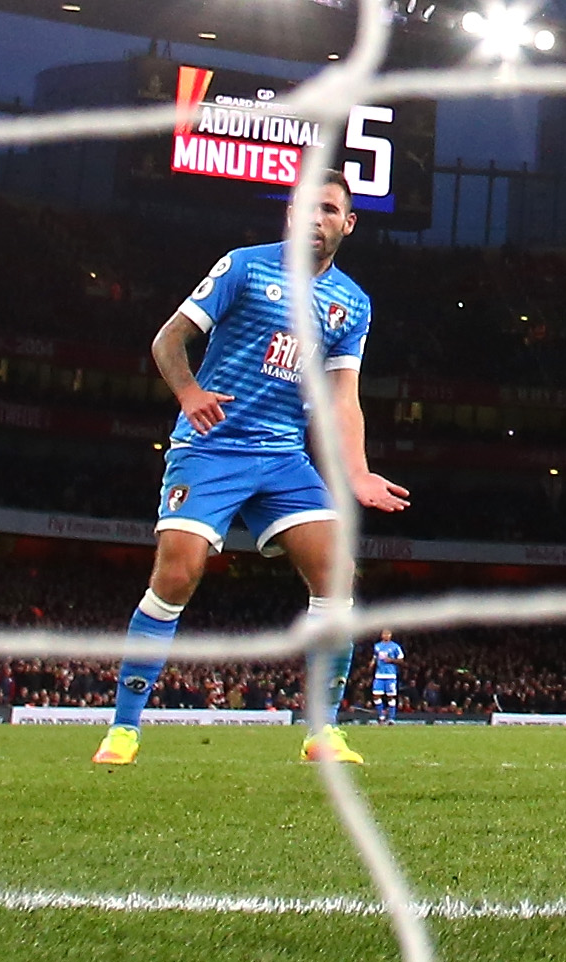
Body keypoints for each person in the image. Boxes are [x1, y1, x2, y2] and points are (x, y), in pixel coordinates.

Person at [91, 171, 410, 767]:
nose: (316, 218)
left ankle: (323, 732)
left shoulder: (352, 303)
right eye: (306, 207)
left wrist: (359, 472)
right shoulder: (244, 266)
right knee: (178, 574)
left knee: (337, 573)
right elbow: (168, 341)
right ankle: (124, 730)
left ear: (348, 223)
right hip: (211, 448)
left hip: (283, 457)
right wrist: (189, 393)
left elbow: (344, 398)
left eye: (329, 209)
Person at [372, 628, 406, 725]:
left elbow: (401, 660)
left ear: (391, 635)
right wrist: (372, 663)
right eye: (384, 634)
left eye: (388, 634)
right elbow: (375, 656)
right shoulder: (377, 646)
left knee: (390, 697)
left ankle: (391, 718)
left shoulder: (395, 647)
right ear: (381, 635)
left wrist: (391, 660)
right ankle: (381, 716)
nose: (386, 636)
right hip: (379, 674)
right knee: (376, 695)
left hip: (391, 675)